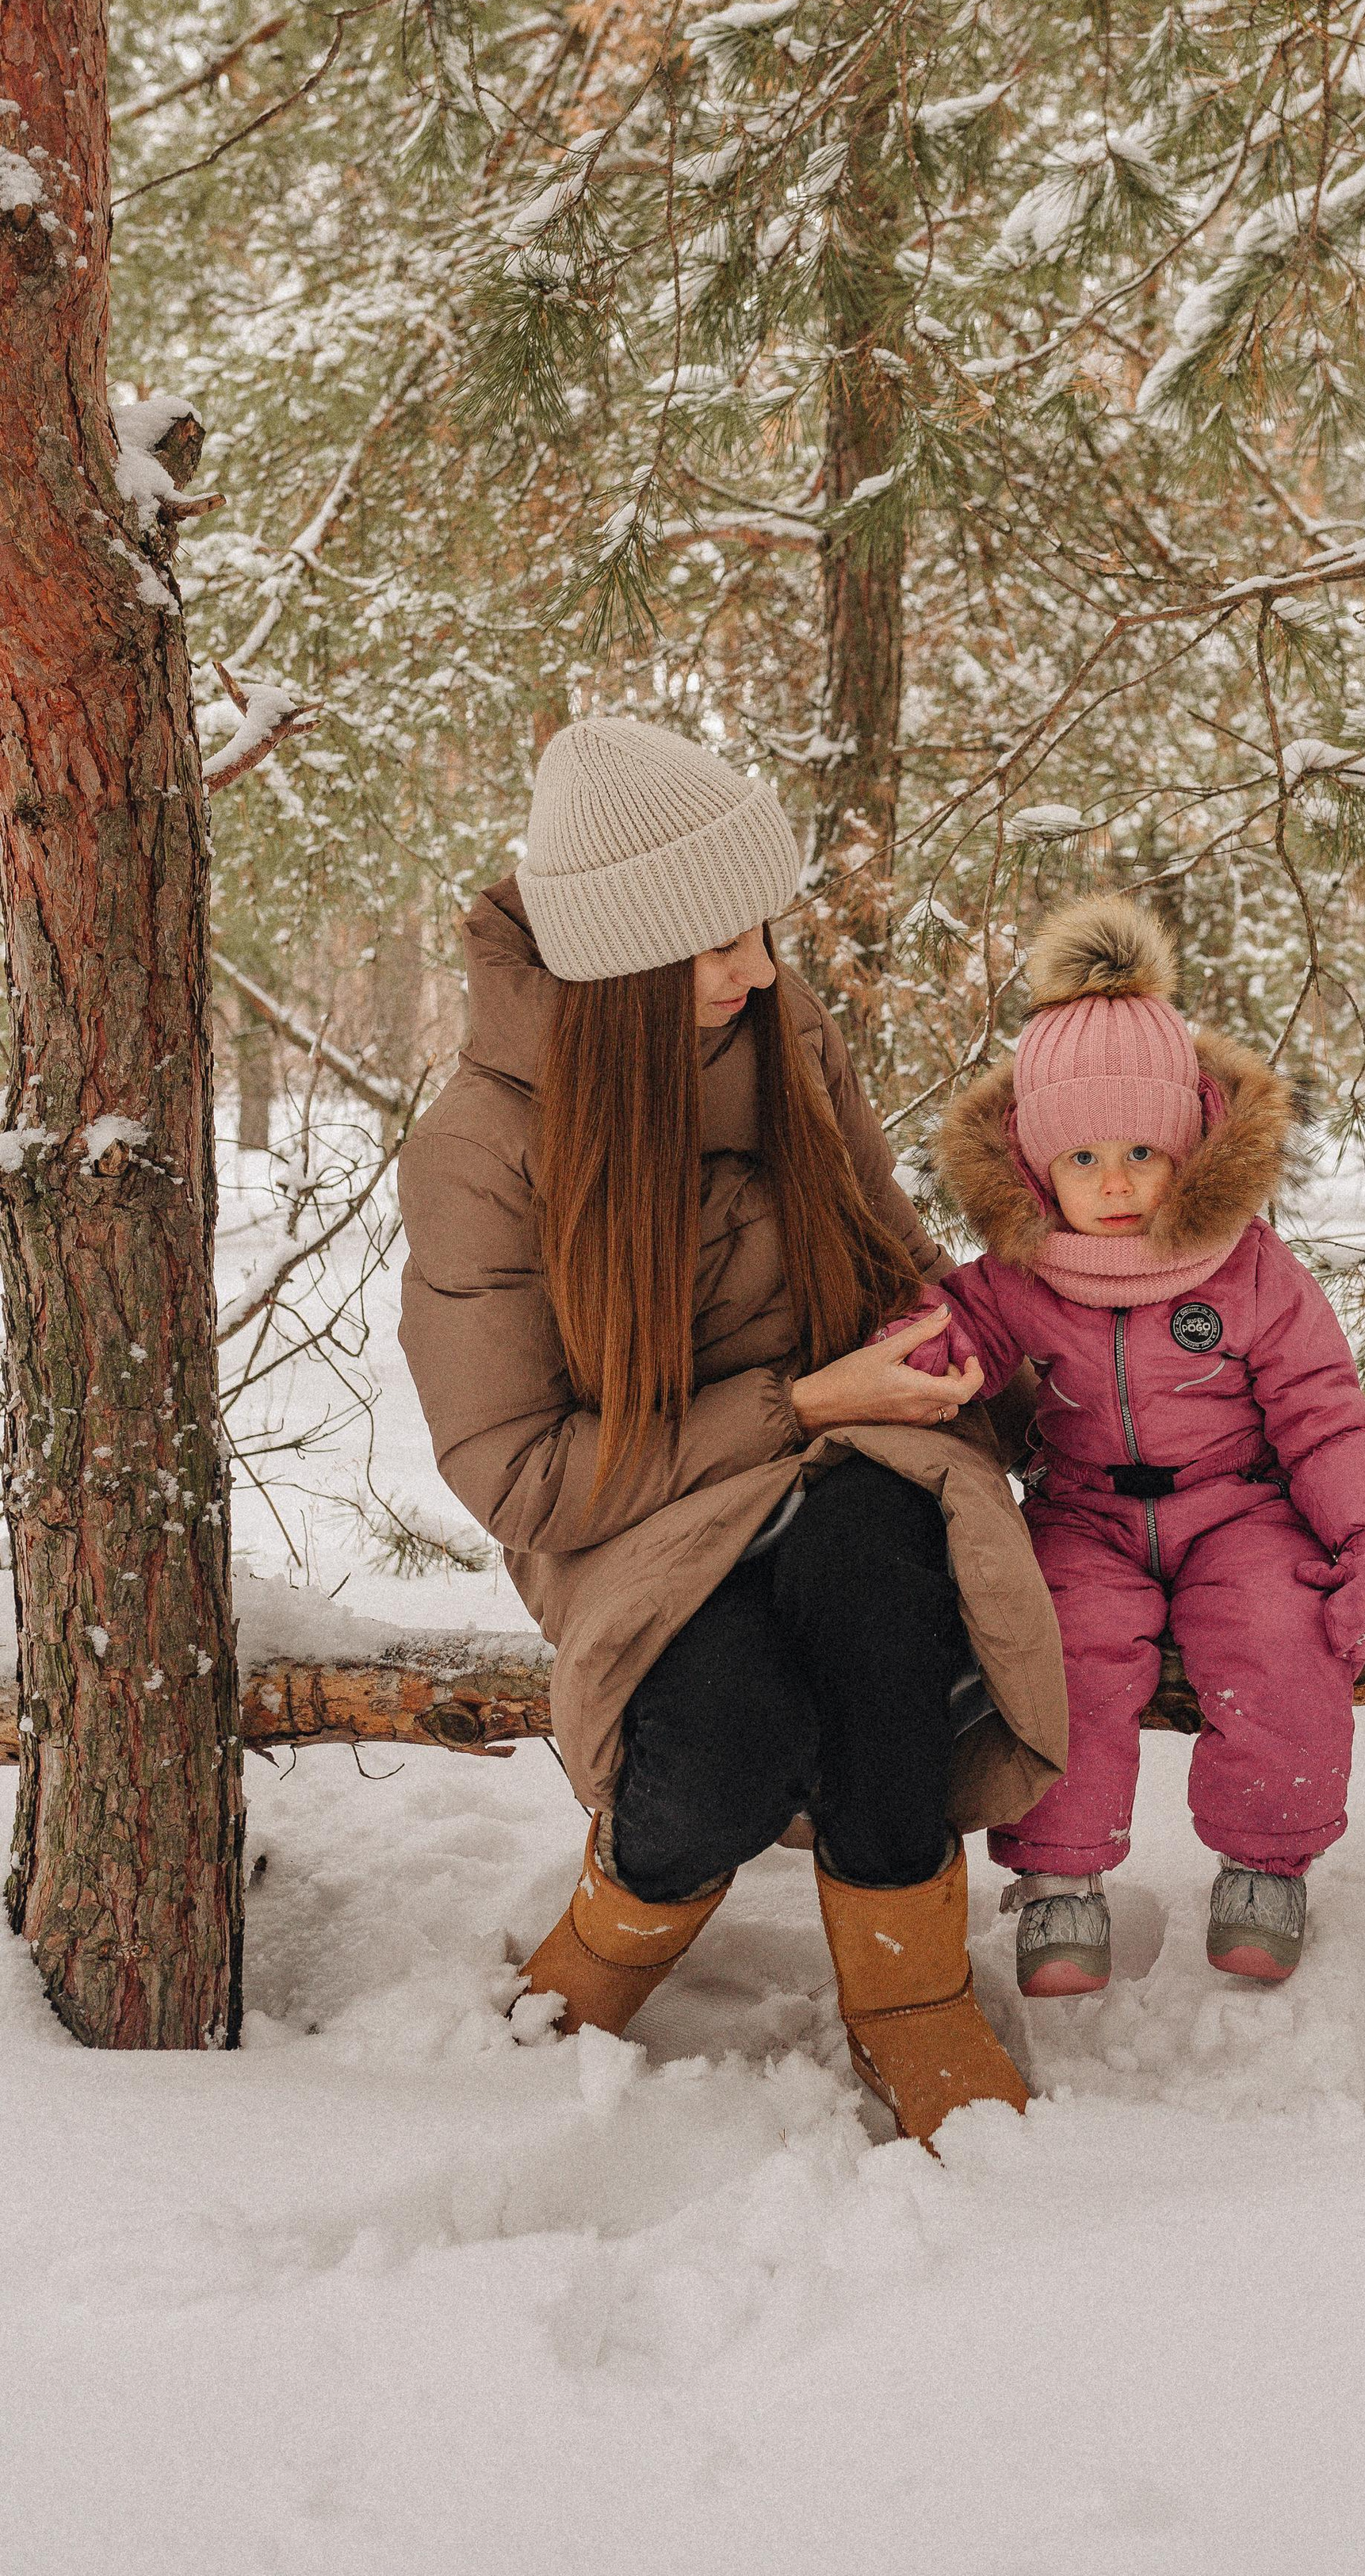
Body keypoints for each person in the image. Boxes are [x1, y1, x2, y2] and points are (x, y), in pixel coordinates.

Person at [396, 718, 1067, 2145]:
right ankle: (617, 1926)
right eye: (717, 946)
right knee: (726, 1740)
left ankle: (911, 1999)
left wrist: (972, 1359)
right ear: (628, 967)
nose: (760, 970)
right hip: (636, 1515)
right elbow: (515, 1471)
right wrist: (799, 1401)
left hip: (860, 1450)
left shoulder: (779, 1024)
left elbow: (887, 1241)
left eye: (761, 931)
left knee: (880, 1602)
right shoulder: (482, 1141)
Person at [897, 891, 1365, 1996]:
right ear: (1041, 1170)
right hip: (1084, 1509)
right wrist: (913, 1355)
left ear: (1188, 1144)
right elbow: (959, 1335)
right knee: (1067, 1650)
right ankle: (1058, 1883)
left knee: (1281, 1639)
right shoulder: (1025, 1271)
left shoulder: (1250, 1269)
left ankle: (1265, 1869)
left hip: (1239, 1505)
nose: (1119, 1182)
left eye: (1144, 1149)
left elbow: (1325, 1413)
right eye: (1083, 1159)